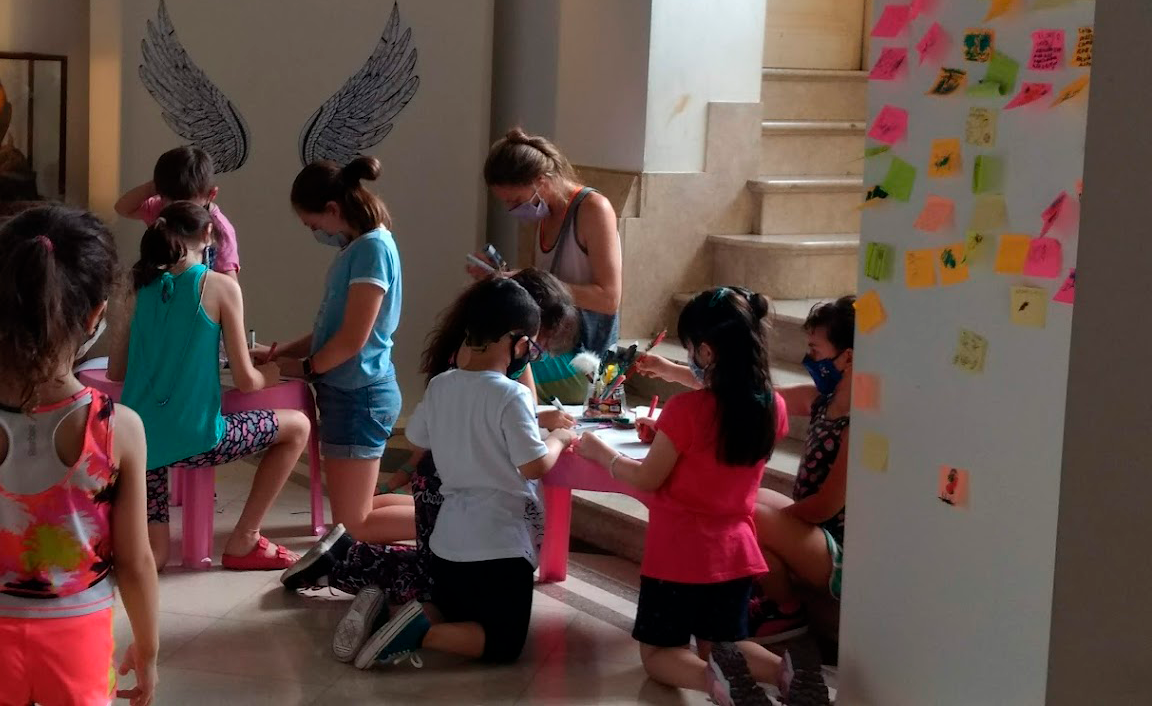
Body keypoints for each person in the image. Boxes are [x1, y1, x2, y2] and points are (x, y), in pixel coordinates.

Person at [0, 205, 158, 706]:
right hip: (79, 636)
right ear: (95, 314)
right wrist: (148, 653)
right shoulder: (119, 429)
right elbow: (135, 562)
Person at [278, 269, 579, 663]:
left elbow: (419, 438)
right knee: (504, 642)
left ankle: (390, 614)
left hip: (447, 545)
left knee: (453, 609)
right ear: (521, 344)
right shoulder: (512, 397)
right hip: (499, 547)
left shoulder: (442, 386)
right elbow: (534, 465)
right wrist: (559, 439)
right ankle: (415, 633)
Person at [572, 287, 824, 706]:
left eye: (690, 349)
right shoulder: (771, 408)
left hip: (679, 554)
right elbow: (728, 407)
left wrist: (604, 455)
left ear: (706, 351)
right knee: (724, 644)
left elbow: (648, 478)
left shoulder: (685, 411)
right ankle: (786, 670)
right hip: (735, 553)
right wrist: (672, 380)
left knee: (658, 654)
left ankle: (717, 684)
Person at [108, 202, 310, 570]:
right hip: (199, 440)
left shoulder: (139, 288)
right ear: (207, 234)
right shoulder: (219, 286)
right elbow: (246, 381)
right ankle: (245, 538)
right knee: (298, 426)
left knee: (155, 557)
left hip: (139, 445)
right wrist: (272, 373)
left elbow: (116, 372)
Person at [257, 156, 411, 544]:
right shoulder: (360, 247)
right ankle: (452, 516)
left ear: (332, 209)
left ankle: (465, 525)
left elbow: (352, 340)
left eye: (313, 224)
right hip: (350, 393)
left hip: (360, 396)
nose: (315, 232)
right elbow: (331, 331)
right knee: (357, 512)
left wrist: (303, 368)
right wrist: (279, 352)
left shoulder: (372, 249)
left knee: (353, 526)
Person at [472, 128, 622, 403]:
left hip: (585, 360)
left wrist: (531, 280)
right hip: (551, 344)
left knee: (489, 366)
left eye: (515, 201)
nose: (512, 209)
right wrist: (501, 278)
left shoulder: (593, 209)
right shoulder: (545, 216)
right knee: (470, 352)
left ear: (541, 181)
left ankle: (523, 427)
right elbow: (543, 295)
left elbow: (609, 299)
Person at [748, 297, 854, 646]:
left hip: (840, 554)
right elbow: (755, 397)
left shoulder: (860, 425)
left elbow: (825, 506)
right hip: (816, 532)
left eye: (815, 350)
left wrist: (782, 522)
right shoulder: (823, 399)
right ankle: (765, 596)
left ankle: (788, 611)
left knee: (754, 515)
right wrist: (672, 371)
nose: (809, 359)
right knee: (751, 499)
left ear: (848, 358)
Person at [114, 145, 241, 277]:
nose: (177, 212)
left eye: (186, 205)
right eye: (169, 202)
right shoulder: (160, 208)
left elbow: (230, 281)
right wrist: (152, 187)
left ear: (211, 195)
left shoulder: (220, 229)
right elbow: (123, 208)